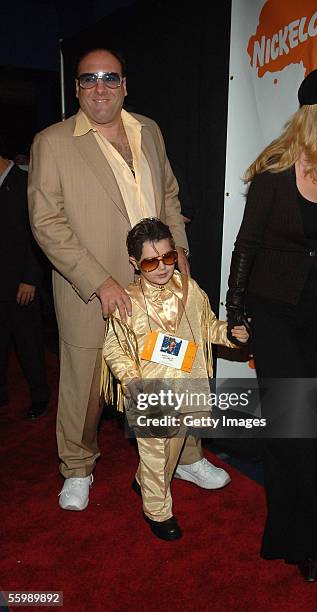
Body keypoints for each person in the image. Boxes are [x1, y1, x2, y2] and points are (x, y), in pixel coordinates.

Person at [28, 47, 229, 511]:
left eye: (110, 77)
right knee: (86, 386)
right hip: (90, 290)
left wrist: (178, 258)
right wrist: (99, 281)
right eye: (88, 79)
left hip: (159, 283)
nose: (100, 87)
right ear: (76, 87)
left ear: (125, 84)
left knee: (174, 371)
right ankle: (77, 467)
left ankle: (185, 455)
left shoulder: (149, 130)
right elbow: (47, 223)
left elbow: (170, 197)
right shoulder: (53, 142)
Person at [226, 62, 317, 582]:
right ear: (313, 110)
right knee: (289, 427)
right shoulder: (275, 167)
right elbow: (247, 244)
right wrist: (235, 309)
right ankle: (304, 539)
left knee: (314, 426)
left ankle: (308, 511)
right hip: (273, 308)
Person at [102, 218, 249, 540]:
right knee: (156, 452)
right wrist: (132, 383)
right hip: (150, 390)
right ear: (134, 263)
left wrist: (230, 333)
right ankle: (157, 510)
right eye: (151, 262)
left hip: (189, 383)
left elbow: (208, 325)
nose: (162, 268)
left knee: (174, 445)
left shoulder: (189, 288)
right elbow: (114, 349)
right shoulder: (127, 301)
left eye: (168, 258)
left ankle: (142, 481)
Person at [0, 138, 49, 419]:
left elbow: (39, 235)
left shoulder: (26, 183)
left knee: (28, 344)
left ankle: (40, 397)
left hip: (22, 284)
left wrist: (31, 278)